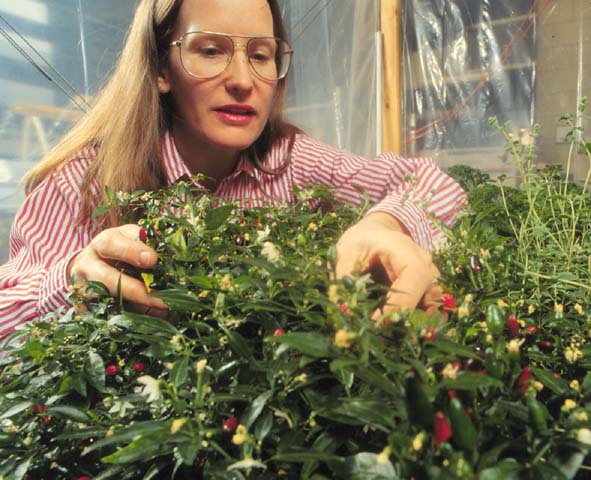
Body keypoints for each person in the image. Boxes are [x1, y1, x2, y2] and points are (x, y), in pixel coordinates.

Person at [0, 0, 465, 339]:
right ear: (161, 69)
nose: (243, 80)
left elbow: (432, 183)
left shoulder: (288, 161)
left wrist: (384, 224)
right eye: (210, 50)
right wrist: (68, 282)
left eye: (260, 55)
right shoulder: (82, 184)